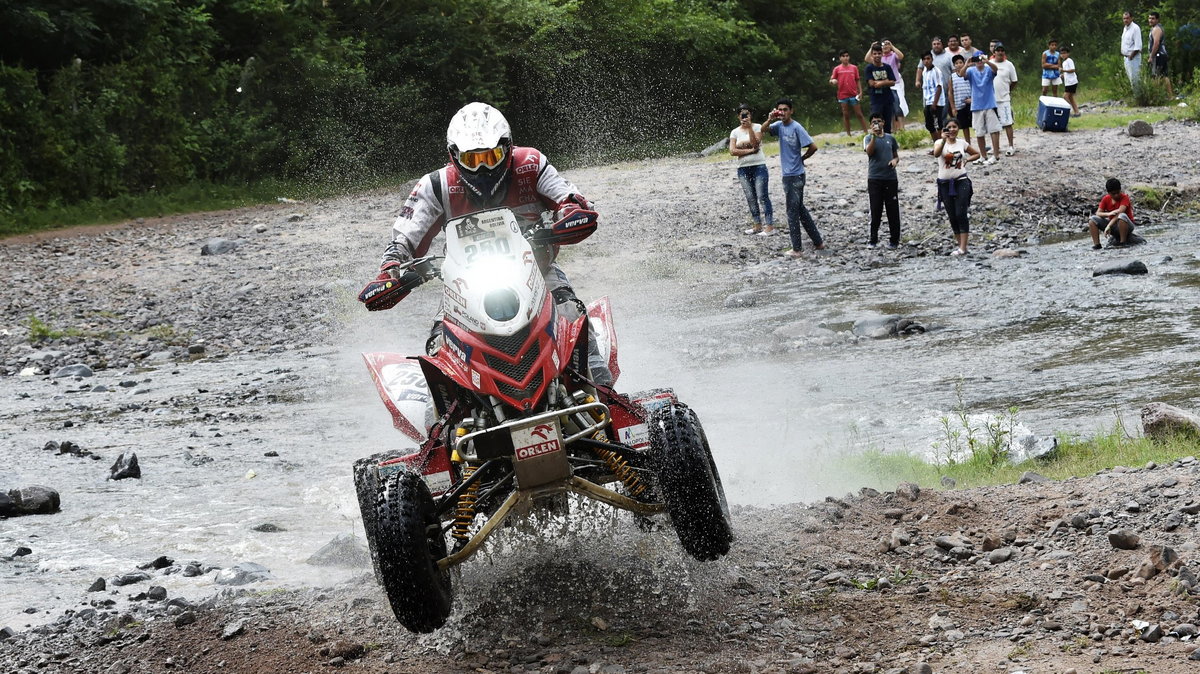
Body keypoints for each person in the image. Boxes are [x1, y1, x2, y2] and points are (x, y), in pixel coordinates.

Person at [364, 101, 612, 385]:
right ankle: (441, 424)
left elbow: (569, 198)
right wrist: (390, 269)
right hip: (463, 287)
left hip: (539, 274)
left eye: (491, 156)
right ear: (454, 156)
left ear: (507, 148)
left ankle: (605, 396)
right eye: (472, 160)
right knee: (438, 345)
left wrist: (571, 213)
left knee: (573, 316)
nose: (482, 168)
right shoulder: (437, 185)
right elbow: (405, 235)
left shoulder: (531, 164)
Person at [763, 98, 825, 258]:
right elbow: (762, 131)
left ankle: (797, 249)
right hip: (787, 175)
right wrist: (770, 118)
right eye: (780, 110)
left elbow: (813, 146)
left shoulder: (796, 127)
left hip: (796, 175)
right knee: (800, 210)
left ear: (791, 111)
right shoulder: (778, 126)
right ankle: (818, 242)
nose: (782, 112)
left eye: (785, 109)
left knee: (792, 212)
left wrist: (803, 158)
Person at [934, 120, 980, 255]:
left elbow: (976, 153)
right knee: (952, 215)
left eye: (955, 127)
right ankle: (960, 245)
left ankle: (963, 248)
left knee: (961, 213)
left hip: (961, 181)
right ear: (944, 130)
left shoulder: (962, 143)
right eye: (949, 128)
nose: (952, 130)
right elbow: (937, 154)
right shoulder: (939, 143)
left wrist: (967, 160)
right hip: (944, 183)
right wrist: (943, 140)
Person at [729, 104, 776, 236]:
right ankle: (757, 225)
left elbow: (756, 143)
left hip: (759, 165)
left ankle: (770, 225)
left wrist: (749, 129)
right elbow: (733, 151)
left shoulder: (757, 127)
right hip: (743, 168)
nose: (744, 117)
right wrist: (750, 150)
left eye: (747, 114)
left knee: (762, 196)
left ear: (751, 115)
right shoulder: (735, 132)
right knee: (750, 197)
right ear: (738, 116)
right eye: (742, 114)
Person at [863, 112, 902, 249]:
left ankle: (894, 240)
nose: (877, 124)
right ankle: (873, 240)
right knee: (875, 210)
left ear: (884, 123)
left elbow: (896, 156)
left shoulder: (890, 138)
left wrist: (895, 161)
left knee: (893, 210)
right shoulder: (868, 138)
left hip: (890, 178)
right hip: (875, 178)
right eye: (874, 122)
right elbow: (869, 152)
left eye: (879, 121)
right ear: (870, 125)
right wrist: (874, 136)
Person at [958, 54, 1002, 165]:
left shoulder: (989, 69)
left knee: (994, 130)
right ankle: (983, 155)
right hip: (976, 105)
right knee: (979, 132)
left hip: (989, 103)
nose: (979, 62)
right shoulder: (971, 71)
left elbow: (996, 70)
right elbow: (961, 74)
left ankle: (995, 155)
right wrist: (967, 64)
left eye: (980, 59)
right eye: (977, 60)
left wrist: (987, 61)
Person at [1088, 177, 1136, 249]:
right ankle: (1097, 245)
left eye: (1118, 192)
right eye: (1113, 194)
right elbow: (1098, 213)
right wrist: (1108, 214)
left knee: (1122, 216)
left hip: (1126, 225)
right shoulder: (1106, 199)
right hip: (1114, 226)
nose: (1116, 195)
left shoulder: (1125, 198)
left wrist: (1109, 226)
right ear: (1108, 193)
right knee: (1092, 220)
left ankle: (1123, 242)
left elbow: (1119, 213)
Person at [830, 50, 868, 137]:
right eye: (843, 56)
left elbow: (857, 80)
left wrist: (861, 92)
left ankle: (866, 132)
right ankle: (848, 133)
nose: (845, 58)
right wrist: (833, 81)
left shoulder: (854, 68)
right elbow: (831, 80)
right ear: (840, 58)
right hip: (842, 95)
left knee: (859, 113)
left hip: (854, 94)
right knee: (846, 114)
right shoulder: (837, 69)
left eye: (847, 56)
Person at [991, 44, 1019, 154]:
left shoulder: (1009, 65)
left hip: (1004, 98)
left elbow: (1014, 81)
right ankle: (995, 147)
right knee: (993, 124)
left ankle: (1011, 146)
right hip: (992, 99)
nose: (1000, 52)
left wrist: (1008, 90)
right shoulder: (990, 64)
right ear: (994, 53)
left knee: (1007, 122)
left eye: (1002, 50)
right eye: (998, 50)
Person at [864, 44, 898, 133]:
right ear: (872, 55)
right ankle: (876, 141)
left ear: (882, 54)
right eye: (875, 54)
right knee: (876, 121)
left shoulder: (887, 67)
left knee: (887, 124)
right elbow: (872, 83)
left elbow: (893, 81)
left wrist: (881, 82)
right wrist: (886, 81)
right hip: (876, 99)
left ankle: (888, 142)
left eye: (879, 53)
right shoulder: (869, 68)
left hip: (888, 98)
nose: (877, 56)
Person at [916, 50, 945, 141]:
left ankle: (941, 144)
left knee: (938, 124)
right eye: (924, 59)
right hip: (927, 101)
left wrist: (934, 103)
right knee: (929, 124)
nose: (926, 61)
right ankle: (936, 143)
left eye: (928, 58)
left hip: (936, 102)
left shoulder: (936, 71)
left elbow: (939, 87)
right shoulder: (925, 71)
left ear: (932, 59)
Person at [1148, 12, 1176, 98]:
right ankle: (1170, 96)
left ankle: (1155, 96)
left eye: (1153, 18)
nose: (1150, 20)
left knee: (1156, 76)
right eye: (1149, 18)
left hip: (1158, 55)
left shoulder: (1156, 29)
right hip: (1162, 54)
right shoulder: (1156, 28)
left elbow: (1156, 44)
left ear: (1157, 19)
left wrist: (1151, 56)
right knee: (1164, 76)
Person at [948, 54, 972, 143]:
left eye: (961, 62)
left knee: (975, 124)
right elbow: (950, 92)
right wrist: (953, 107)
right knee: (964, 125)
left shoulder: (969, 73)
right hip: (959, 104)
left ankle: (981, 143)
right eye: (956, 63)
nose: (959, 65)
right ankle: (968, 143)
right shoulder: (952, 76)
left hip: (970, 102)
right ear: (954, 65)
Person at [931, 37, 954, 128]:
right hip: (931, 91)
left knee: (943, 114)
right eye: (934, 44)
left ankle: (943, 131)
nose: (936, 46)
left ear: (942, 45)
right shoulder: (928, 56)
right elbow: (920, 68)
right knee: (931, 115)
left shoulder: (949, 56)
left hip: (944, 90)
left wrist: (952, 86)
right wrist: (917, 80)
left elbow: (953, 71)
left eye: (938, 44)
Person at [1122, 11, 1143, 89]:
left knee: (1135, 79)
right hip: (1126, 58)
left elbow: (1138, 45)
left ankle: (1139, 97)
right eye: (1124, 18)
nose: (1125, 20)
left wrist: (1131, 56)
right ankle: (1136, 97)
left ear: (1131, 18)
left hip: (1133, 58)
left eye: (1127, 18)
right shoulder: (1125, 28)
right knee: (1131, 79)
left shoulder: (1135, 28)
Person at [1060, 46, 1081, 117]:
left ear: (1068, 54)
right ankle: (1077, 112)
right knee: (1071, 97)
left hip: (1072, 82)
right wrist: (1063, 74)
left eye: (1064, 53)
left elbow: (1072, 70)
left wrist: (1064, 71)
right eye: (1062, 53)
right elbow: (1067, 71)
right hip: (1068, 82)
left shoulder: (1069, 60)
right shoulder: (1064, 62)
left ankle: (1069, 110)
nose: (1063, 55)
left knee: (1065, 97)